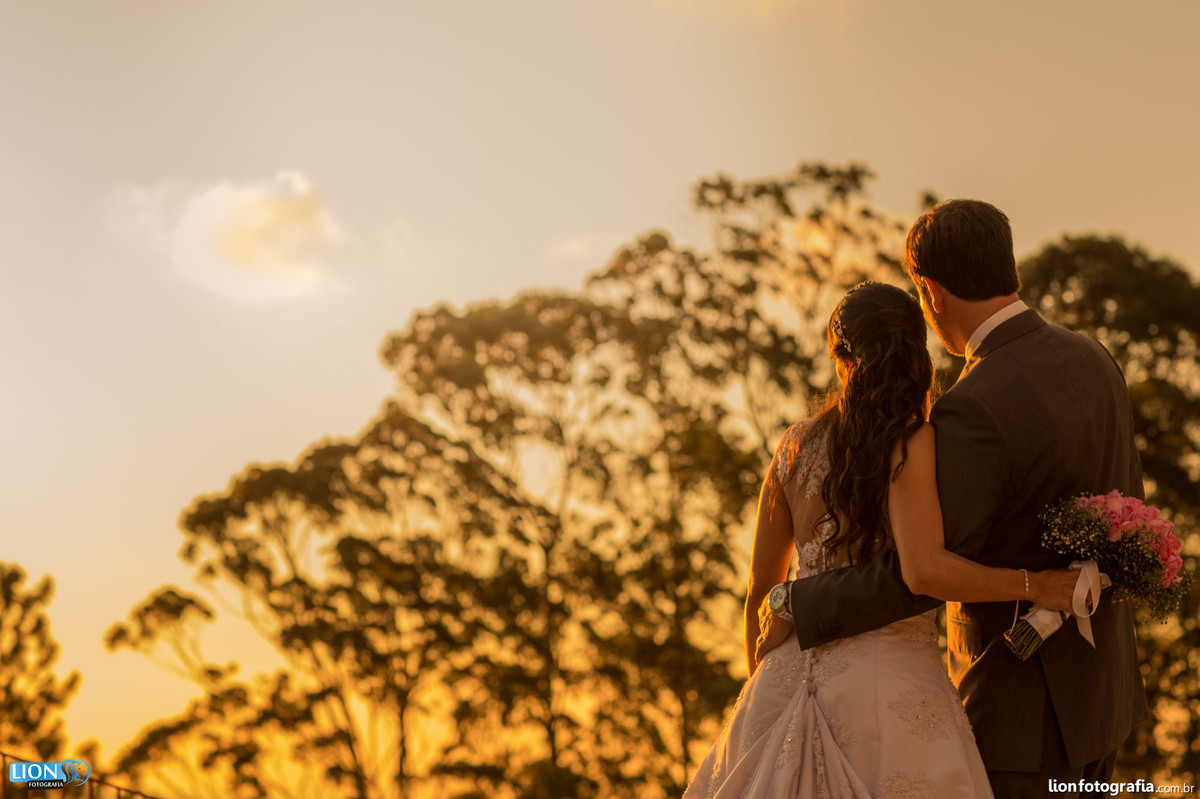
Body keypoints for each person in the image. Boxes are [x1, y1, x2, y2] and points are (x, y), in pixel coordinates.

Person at [758, 200, 1148, 798]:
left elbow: (923, 571)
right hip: (1104, 703)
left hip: (1018, 720)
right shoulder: (1096, 360)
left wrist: (797, 601)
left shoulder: (971, 404)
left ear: (932, 294)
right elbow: (1129, 515)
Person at [683, 280, 1079, 798]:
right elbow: (924, 572)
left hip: (780, 677)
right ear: (914, 352)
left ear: (842, 358)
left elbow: (762, 588)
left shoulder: (795, 445)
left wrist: (763, 685)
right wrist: (1037, 585)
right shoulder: (912, 441)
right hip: (889, 690)